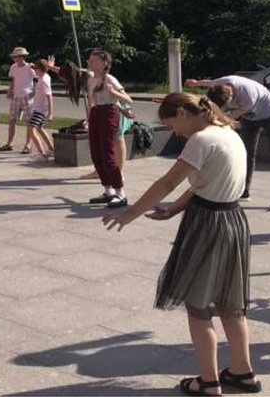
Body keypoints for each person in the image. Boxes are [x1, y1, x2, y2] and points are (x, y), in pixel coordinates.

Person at [103, 92, 258, 397]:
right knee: (230, 303)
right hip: (233, 219)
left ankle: (209, 382)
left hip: (208, 223)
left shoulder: (200, 140)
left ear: (183, 114)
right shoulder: (228, 132)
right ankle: (243, 373)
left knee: (198, 306)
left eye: (171, 124)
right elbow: (205, 184)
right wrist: (174, 208)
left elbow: (167, 182)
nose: (174, 132)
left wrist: (129, 214)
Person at [186, 75, 270, 211]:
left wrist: (212, 123)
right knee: (247, 153)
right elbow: (209, 82)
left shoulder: (247, 96)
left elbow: (228, 119)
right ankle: (244, 192)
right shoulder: (221, 83)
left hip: (269, 113)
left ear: (231, 97)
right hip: (250, 117)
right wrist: (196, 83)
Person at [85, 49, 135, 208]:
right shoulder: (92, 80)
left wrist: (114, 93)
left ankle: (120, 193)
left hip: (108, 113)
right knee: (96, 154)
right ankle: (108, 191)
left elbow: (128, 99)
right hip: (96, 113)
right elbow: (92, 101)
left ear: (104, 63)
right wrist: (89, 119)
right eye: (90, 60)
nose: (90, 63)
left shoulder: (110, 79)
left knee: (107, 154)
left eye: (94, 60)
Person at [1, 46, 36, 152]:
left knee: (29, 121)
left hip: (26, 96)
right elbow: (13, 79)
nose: (14, 59)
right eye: (14, 57)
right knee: (12, 120)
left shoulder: (30, 67)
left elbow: (38, 78)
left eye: (16, 57)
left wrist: (34, 92)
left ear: (22, 57)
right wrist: (10, 90)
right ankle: (9, 143)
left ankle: (28, 144)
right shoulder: (13, 67)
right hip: (16, 96)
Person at [24, 58, 55, 161]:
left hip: (40, 110)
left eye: (35, 68)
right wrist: (33, 93)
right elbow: (40, 89)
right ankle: (51, 149)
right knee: (39, 128)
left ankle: (41, 154)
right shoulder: (44, 77)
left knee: (31, 130)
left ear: (40, 69)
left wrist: (50, 113)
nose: (34, 71)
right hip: (39, 109)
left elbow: (49, 96)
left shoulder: (44, 81)